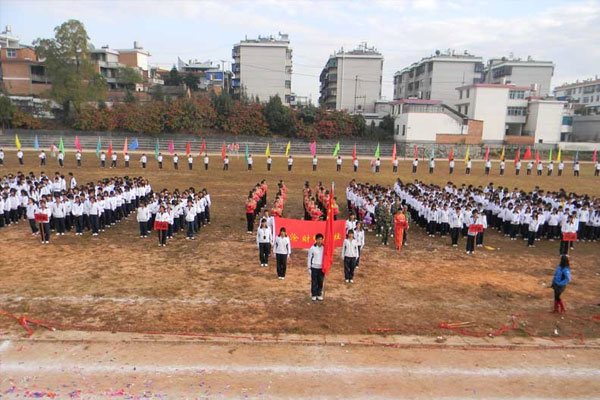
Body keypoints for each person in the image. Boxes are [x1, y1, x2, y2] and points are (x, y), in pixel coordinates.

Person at [307, 233, 325, 301]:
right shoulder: (312, 248)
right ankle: (314, 294)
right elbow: (309, 258)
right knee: (314, 281)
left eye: (321, 239)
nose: (320, 241)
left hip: (321, 267)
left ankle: (319, 294)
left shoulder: (324, 248)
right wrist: (309, 267)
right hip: (314, 267)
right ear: (316, 240)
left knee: (320, 281)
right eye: (318, 239)